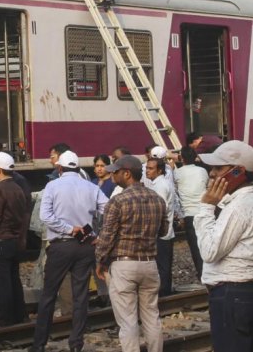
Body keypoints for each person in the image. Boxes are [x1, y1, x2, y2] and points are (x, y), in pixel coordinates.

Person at [195, 140, 253, 352]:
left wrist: (206, 207)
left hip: (233, 294)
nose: (212, 173)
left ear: (237, 172)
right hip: (249, 292)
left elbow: (209, 251)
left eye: (218, 168)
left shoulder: (240, 206)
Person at [31, 151, 108, 352]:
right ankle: (76, 344)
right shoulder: (91, 187)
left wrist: (67, 228)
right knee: (80, 296)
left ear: (60, 168)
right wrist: (99, 235)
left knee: (48, 295)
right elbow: (109, 209)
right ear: (78, 168)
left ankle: (39, 344)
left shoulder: (52, 186)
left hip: (61, 246)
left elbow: (45, 216)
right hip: (85, 247)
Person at [95, 155, 167, 352]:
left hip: (124, 264)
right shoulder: (158, 200)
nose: (112, 174)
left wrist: (100, 261)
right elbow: (163, 231)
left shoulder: (117, 202)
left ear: (127, 174)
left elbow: (107, 236)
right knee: (152, 317)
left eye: (115, 171)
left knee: (127, 322)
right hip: (150, 264)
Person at [0, 151, 30, 326]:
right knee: (14, 279)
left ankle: (3, 319)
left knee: (2, 283)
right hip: (15, 241)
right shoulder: (18, 188)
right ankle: (20, 315)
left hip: (1, 241)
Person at [173, 146, 208, 280]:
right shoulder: (203, 171)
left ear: (181, 158)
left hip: (189, 214)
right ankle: (210, 272)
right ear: (195, 157)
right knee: (206, 244)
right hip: (204, 212)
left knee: (195, 247)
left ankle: (202, 274)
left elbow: (175, 192)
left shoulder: (177, 173)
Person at [145, 158, 175, 296]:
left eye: (151, 168)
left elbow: (160, 209)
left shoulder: (161, 185)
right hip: (162, 231)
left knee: (162, 264)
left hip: (161, 232)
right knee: (162, 264)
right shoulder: (158, 184)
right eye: (147, 168)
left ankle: (164, 292)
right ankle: (164, 290)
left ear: (160, 170)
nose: (147, 171)